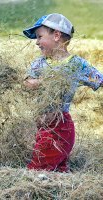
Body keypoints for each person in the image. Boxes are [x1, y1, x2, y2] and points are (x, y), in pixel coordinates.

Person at [23, 13, 103, 172]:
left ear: (57, 35)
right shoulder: (40, 63)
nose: (37, 42)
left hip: (60, 126)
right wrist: (42, 82)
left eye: (39, 37)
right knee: (56, 172)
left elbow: (99, 80)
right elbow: (26, 82)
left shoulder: (76, 65)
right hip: (42, 125)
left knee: (36, 171)